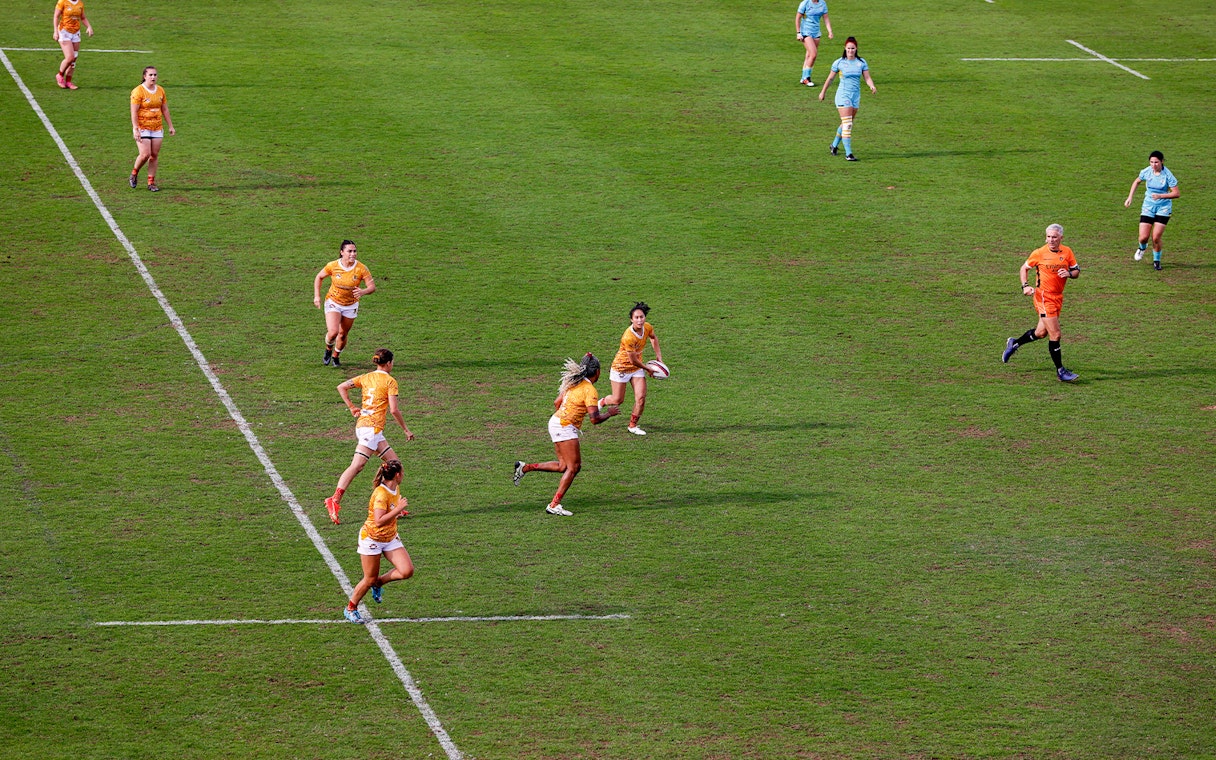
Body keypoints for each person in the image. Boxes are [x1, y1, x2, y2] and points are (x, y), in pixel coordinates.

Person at [512, 354, 619, 516]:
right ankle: (554, 504)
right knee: (574, 467)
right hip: (565, 426)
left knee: (564, 466)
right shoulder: (590, 390)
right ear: (597, 372)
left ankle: (524, 468)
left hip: (556, 421)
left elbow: (557, 403)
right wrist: (609, 413)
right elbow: (595, 419)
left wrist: (566, 414)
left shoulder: (574, 383)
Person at [326, 348, 414, 524]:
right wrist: (406, 429)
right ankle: (334, 500)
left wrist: (352, 407)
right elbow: (394, 409)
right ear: (388, 363)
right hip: (371, 430)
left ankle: (392, 507)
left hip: (366, 427)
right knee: (357, 466)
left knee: (395, 466)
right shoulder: (390, 381)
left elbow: (341, 386)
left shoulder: (366, 377)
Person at [1001, 224, 1081, 382]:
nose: (1051, 240)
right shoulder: (1039, 253)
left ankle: (1014, 343)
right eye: (1049, 237)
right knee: (1055, 334)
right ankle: (1060, 371)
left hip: (1058, 297)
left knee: (1041, 333)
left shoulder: (1067, 252)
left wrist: (1069, 274)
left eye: (1054, 237)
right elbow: (1024, 269)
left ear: (1061, 238)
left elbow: (1077, 270)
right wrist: (1025, 286)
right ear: (1046, 237)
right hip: (1044, 297)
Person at [343, 459, 414, 624]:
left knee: (406, 571)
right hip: (372, 539)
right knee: (368, 578)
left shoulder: (394, 487)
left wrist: (397, 513)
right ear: (397, 475)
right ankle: (351, 608)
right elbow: (379, 520)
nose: (403, 475)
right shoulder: (381, 494)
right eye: (402, 473)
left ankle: (379, 583)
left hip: (390, 537)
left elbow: (390, 512)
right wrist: (397, 510)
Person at [600, 301, 664, 436]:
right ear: (631, 319)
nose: (640, 320)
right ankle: (603, 401)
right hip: (621, 368)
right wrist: (648, 368)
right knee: (618, 400)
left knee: (641, 398)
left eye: (642, 317)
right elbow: (633, 360)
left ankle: (632, 425)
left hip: (636, 369)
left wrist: (659, 357)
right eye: (636, 318)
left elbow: (653, 338)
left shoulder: (647, 327)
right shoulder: (628, 337)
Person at [313, 240, 374, 366]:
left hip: (351, 305)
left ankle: (336, 356)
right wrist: (317, 296)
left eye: (354, 251)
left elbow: (372, 287)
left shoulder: (361, 268)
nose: (353, 254)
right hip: (333, 301)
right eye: (349, 251)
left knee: (342, 334)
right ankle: (328, 348)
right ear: (342, 252)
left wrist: (363, 292)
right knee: (333, 332)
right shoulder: (333, 266)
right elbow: (319, 277)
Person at [818, 36, 876, 162]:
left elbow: (867, 77)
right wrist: (823, 92)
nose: (850, 51)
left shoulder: (861, 62)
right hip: (843, 95)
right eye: (848, 48)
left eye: (853, 48)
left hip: (855, 96)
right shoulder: (839, 62)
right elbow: (830, 78)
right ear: (845, 48)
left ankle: (834, 145)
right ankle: (848, 154)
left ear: (856, 49)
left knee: (846, 123)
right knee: (848, 124)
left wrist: (871, 85)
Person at [1124, 150, 1180, 271]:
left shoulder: (1168, 175)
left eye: (1156, 162)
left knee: (1155, 237)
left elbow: (1176, 193)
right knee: (1143, 237)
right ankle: (1142, 248)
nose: (1153, 165)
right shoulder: (1147, 171)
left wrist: (1161, 196)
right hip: (1148, 206)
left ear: (1162, 162)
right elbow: (1137, 181)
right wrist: (1130, 197)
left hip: (1163, 208)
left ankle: (1156, 261)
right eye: (1151, 162)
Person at [128, 67, 175, 192]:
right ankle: (134, 173)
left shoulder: (160, 90)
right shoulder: (138, 91)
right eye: (150, 75)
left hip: (157, 127)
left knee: (154, 156)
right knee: (145, 154)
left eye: (155, 75)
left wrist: (170, 125)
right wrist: (135, 128)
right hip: (143, 127)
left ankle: (151, 182)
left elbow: (164, 109)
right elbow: (134, 111)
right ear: (144, 76)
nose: (153, 77)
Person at [52, 0, 92, 89]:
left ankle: (69, 82)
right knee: (70, 57)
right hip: (64, 31)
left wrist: (89, 27)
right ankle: (60, 75)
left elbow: (83, 17)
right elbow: (56, 16)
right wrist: (55, 32)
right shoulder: (62, 2)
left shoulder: (80, 3)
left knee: (74, 60)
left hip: (76, 32)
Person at [795, 0, 832, 87]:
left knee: (808, 56)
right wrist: (798, 33)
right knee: (813, 54)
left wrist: (830, 31)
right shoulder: (805, 3)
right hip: (806, 32)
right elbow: (798, 18)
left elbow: (825, 18)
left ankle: (803, 77)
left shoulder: (822, 3)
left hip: (816, 32)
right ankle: (807, 78)